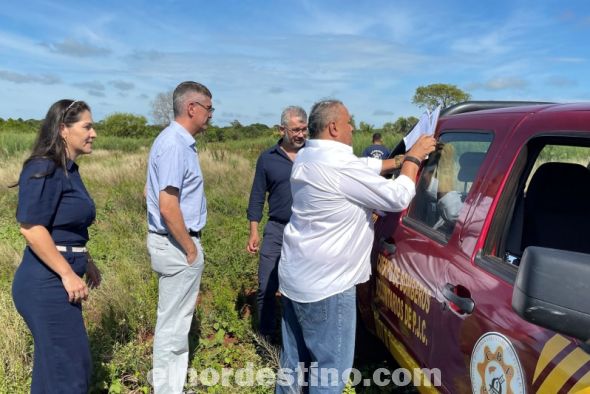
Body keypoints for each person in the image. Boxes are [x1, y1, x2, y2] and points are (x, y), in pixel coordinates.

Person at [276, 100, 436, 393]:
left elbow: (359, 167)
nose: (353, 127)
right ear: (334, 127)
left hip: (296, 277)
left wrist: (396, 162)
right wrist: (413, 159)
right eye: (348, 122)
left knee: (292, 366)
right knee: (329, 374)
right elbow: (398, 196)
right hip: (328, 288)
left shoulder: (306, 156)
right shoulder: (339, 167)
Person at [11, 99, 101, 393]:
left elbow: (63, 227)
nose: (94, 133)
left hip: (59, 280)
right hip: (45, 284)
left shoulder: (69, 170)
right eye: (86, 126)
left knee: (56, 372)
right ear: (64, 129)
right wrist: (67, 272)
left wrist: (84, 260)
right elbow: (32, 228)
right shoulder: (43, 167)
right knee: (70, 372)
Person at [146, 81, 212, 393]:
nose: (211, 115)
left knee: (175, 323)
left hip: (175, 243)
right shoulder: (174, 144)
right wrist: (189, 248)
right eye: (208, 108)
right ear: (192, 108)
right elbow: (168, 205)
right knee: (173, 327)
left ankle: (169, 386)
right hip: (176, 245)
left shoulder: (178, 142)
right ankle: (167, 389)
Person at [246, 106, 307, 340]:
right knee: (266, 286)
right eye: (295, 130)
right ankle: (266, 335)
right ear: (282, 129)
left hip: (307, 230)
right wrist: (253, 231)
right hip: (277, 229)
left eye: (304, 129)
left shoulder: (313, 154)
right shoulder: (267, 158)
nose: (301, 135)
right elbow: (257, 196)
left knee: (304, 287)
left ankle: (299, 335)